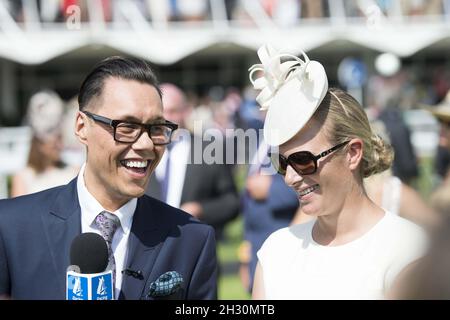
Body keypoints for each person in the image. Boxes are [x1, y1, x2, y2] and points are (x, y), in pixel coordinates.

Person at [0, 56, 217, 300]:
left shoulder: (192, 241)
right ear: (82, 127)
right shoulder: (10, 227)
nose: (146, 144)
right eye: (127, 127)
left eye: (156, 128)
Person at [249, 44, 428, 299]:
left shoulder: (408, 248)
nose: (290, 178)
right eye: (282, 163)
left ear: (353, 153)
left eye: (303, 160)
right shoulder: (276, 251)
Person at [146, 83, 239, 242]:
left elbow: (232, 202)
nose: (166, 119)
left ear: (185, 111)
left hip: (194, 248)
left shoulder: (209, 150)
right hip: (149, 249)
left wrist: (201, 210)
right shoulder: (142, 151)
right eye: (160, 112)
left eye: (172, 111)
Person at [10, 90, 79, 197]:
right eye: (54, 144)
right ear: (39, 144)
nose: (60, 146)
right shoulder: (24, 177)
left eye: (60, 139)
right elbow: (18, 212)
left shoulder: (74, 171)